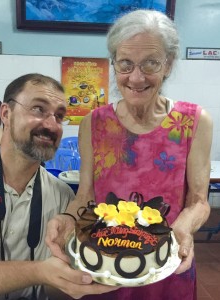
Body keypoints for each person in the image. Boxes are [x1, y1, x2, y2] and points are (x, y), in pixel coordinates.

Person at [46, 9, 213, 300]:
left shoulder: (193, 122)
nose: (136, 78)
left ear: (169, 64)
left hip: (167, 260)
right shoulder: (94, 124)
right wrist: (67, 218)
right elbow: (85, 194)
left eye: (151, 63)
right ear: (113, 64)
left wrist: (182, 229)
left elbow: (199, 201)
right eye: (125, 64)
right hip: (107, 266)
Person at [0, 73, 117, 299]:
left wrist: (81, 278)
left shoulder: (63, 197)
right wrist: (39, 272)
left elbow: (57, 289)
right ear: (6, 113)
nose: (51, 124)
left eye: (59, 116)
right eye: (38, 109)